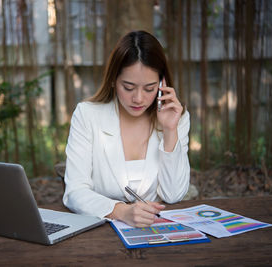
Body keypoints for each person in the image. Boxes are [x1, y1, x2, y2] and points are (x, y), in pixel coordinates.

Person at [62, 30, 190, 228]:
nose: (138, 98)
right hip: (99, 231)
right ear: (113, 80)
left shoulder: (176, 118)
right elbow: (75, 192)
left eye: (149, 88)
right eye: (128, 87)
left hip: (154, 232)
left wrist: (170, 131)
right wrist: (121, 211)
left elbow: (173, 195)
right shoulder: (87, 115)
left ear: (162, 84)